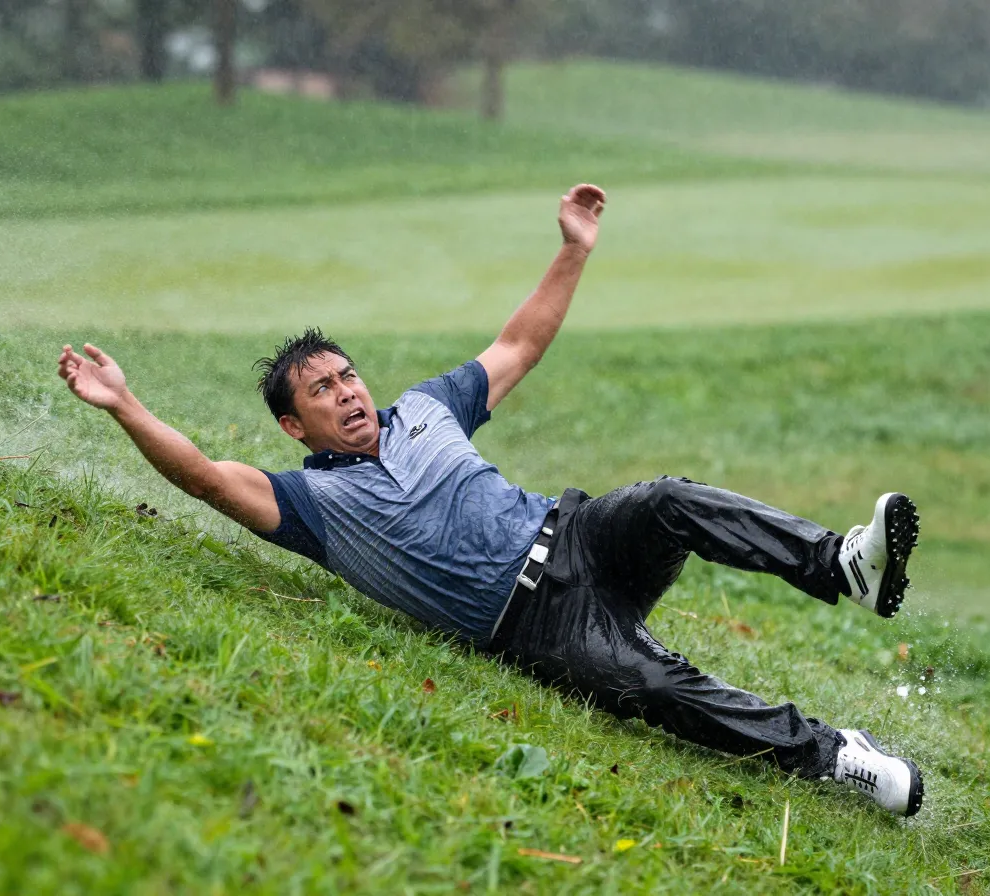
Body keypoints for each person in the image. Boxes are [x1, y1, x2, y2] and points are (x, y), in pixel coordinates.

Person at [57, 184, 924, 817]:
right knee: (661, 688)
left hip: (578, 534)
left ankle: (840, 563)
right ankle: (837, 756)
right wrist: (126, 407)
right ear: (295, 425)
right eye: (322, 391)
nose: (349, 391)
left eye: (348, 373)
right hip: (535, 628)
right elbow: (207, 477)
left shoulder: (430, 406)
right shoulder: (307, 507)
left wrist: (574, 248)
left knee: (667, 500)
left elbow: (517, 345)